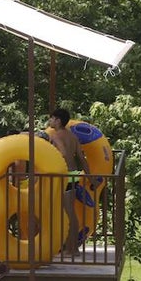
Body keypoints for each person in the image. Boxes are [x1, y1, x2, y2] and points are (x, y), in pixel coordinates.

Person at [48, 108, 91, 256]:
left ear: (58, 120)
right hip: (74, 175)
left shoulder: (55, 136)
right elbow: (81, 158)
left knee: (68, 213)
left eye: (51, 118)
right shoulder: (72, 136)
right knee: (70, 212)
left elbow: (64, 153)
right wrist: (90, 177)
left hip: (64, 176)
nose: (49, 121)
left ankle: (71, 249)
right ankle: (72, 247)